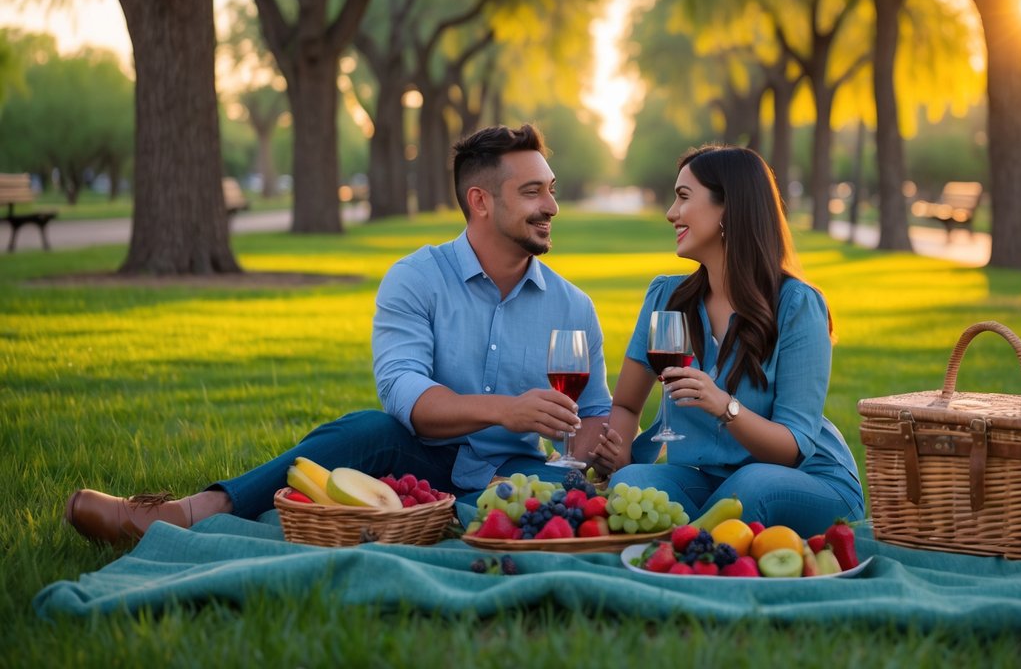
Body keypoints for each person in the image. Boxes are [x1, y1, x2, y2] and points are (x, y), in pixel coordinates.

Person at [65, 124, 612, 546]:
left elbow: (593, 415)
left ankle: (474, 522)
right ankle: (182, 513)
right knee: (367, 430)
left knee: (572, 499)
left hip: (515, 470)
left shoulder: (574, 306)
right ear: (481, 201)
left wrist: (591, 451)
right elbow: (404, 395)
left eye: (551, 190)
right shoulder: (416, 278)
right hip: (420, 459)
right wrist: (503, 410)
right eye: (534, 192)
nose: (551, 207)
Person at [590, 145, 864, 537]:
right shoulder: (666, 299)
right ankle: (702, 544)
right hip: (713, 483)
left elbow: (793, 447)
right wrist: (619, 450)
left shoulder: (797, 305)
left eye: (683, 197)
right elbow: (627, 404)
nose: (671, 212)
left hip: (809, 480)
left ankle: (691, 555)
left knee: (751, 487)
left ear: (728, 209)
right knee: (632, 483)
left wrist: (723, 405)